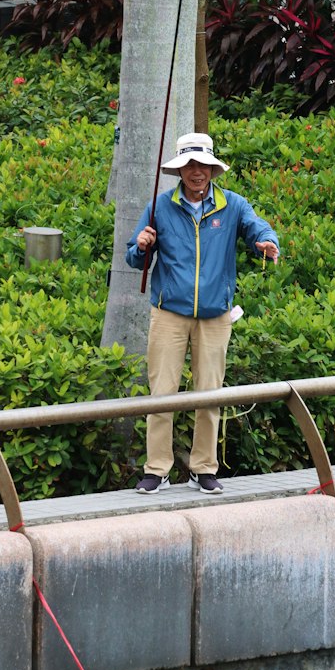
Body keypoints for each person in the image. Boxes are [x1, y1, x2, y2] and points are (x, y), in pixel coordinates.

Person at [126, 132, 279, 495]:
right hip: (169, 314)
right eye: (190, 165)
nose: (198, 173)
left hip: (215, 314)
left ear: (213, 169)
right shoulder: (159, 206)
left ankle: (203, 468)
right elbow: (134, 256)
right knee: (162, 393)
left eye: (204, 166)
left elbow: (257, 227)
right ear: (180, 170)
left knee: (209, 393)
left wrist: (267, 242)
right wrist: (142, 245)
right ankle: (157, 470)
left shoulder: (233, 205)